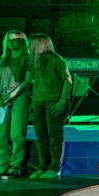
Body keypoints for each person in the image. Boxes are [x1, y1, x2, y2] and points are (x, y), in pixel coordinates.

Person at [27, 34, 71, 179]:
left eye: (32, 44)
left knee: (54, 135)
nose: (29, 46)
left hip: (54, 101)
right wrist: (33, 101)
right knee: (41, 135)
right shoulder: (34, 61)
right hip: (38, 102)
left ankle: (54, 168)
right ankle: (43, 167)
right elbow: (34, 83)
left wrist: (62, 101)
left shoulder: (57, 59)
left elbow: (68, 81)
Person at [0, 31, 31, 178]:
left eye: (14, 39)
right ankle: (3, 166)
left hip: (19, 97)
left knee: (17, 133)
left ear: (21, 42)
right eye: (8, 39)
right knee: (1, 134)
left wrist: (11, 95)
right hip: (1, 98)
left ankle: (16, 167)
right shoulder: (0, 60)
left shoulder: (27, 58)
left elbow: (27, 80)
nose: (11, 42)